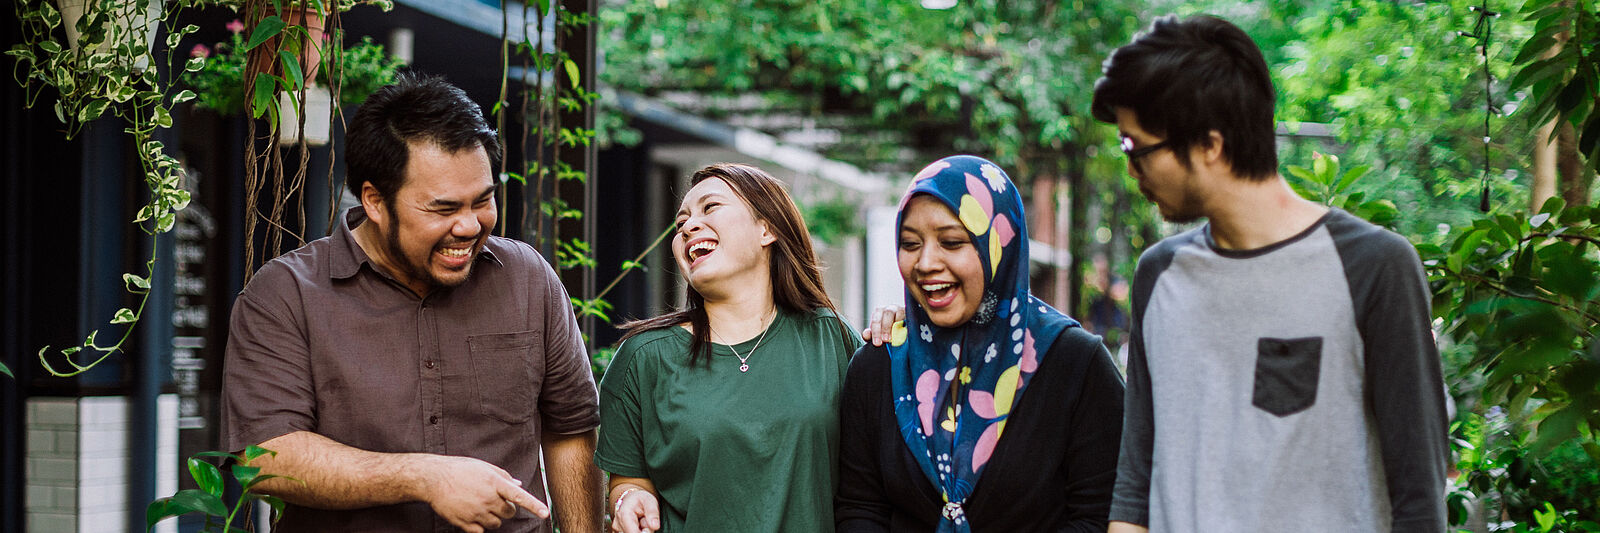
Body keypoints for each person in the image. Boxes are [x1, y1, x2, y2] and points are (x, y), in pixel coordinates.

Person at [1091, 15, 1449, 532]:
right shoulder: (1159, 274)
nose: (1131, 169)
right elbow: (1135, 482)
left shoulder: (1374, 265)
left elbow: (1419, 498)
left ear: (1209, 144)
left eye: (1136, 148)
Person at [221, 73, 602, 533]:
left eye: (482, 201)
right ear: (375, 201)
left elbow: (570, 428)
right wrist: (423, 477)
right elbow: (264, 456)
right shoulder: (285, 295)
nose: (469, 226)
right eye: (443, 209)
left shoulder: (526, 278)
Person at [835, 155, 1125, 532]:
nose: (925, 263)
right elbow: (860, 507)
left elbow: (1100, 514)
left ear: (998, 245)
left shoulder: (1073, 362)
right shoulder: (880, 363)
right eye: (909, 243)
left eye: (952, 242)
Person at [596, 163, 861, 533]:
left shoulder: (832, 339)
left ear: (766, 228)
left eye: (710, 207)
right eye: (680, 222)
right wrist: (627, 498)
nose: (688, 226)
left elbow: (875, 478)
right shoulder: (643, 357)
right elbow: (628, 481)